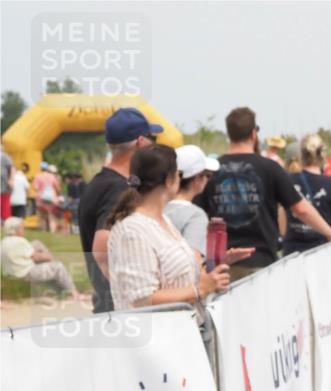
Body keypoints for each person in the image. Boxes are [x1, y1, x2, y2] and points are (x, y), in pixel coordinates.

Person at [197, 107, 331, 273]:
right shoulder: (270, 168)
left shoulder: (212, 170)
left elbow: (197, 213)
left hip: (220, 265)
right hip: (261, 263)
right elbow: (301, 209)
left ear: (229, 134)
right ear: (253, 134)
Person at [107, 145, 231, 313]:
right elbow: (141, 299)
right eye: (179, 174)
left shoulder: (162, 220)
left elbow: (176, 273)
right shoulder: (132, 232)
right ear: (168, 180)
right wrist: (200, 289)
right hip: (158, 335)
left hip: (179, 330)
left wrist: (214, 267)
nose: (180, 179)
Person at [79, 107, 163, 312]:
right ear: (141, 142)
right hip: (119, 311)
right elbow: (101, 248)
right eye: (153, 139)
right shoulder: (120, 188)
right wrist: (127, 290)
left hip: (106, 305)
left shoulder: (100, 182)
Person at [165, 144, 251, 261]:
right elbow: (192, 265)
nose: (207, 180)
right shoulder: (195, 216)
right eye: (207, 175)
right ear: (197, 178)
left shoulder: (158, 207)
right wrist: (223, 261)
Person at [284, 134, 331, 252]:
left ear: (301, 155)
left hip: (293, 252)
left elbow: (282, 222)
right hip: (322, 250)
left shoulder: (288, 180)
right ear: (323, 155)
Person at [2, 217, 88, 301]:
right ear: (15, 230)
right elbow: (36, 256)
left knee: (36, 243)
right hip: (25, 273)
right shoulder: (20, 241)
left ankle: (58, 280)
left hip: (10, 272)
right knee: (58, 266)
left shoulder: (3, 241)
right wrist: (49, 257)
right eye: (21, 228)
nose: (23, 229)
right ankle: (74, 293)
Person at [33, 162, 62, 233]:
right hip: (51, 199)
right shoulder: (53, 177)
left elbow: (36, 188)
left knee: (42, 217)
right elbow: (58, 188)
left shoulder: (37, 176)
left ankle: (43, 231)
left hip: (40, 199)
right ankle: (52, 232)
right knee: (51, 217)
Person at [1, 149, 12, 221]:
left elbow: (10, 168)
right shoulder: (6, 157)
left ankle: (6, 220)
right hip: (4, 185)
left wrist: (10, 179)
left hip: (4, 186)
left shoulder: (5, 157)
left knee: (5, 203)